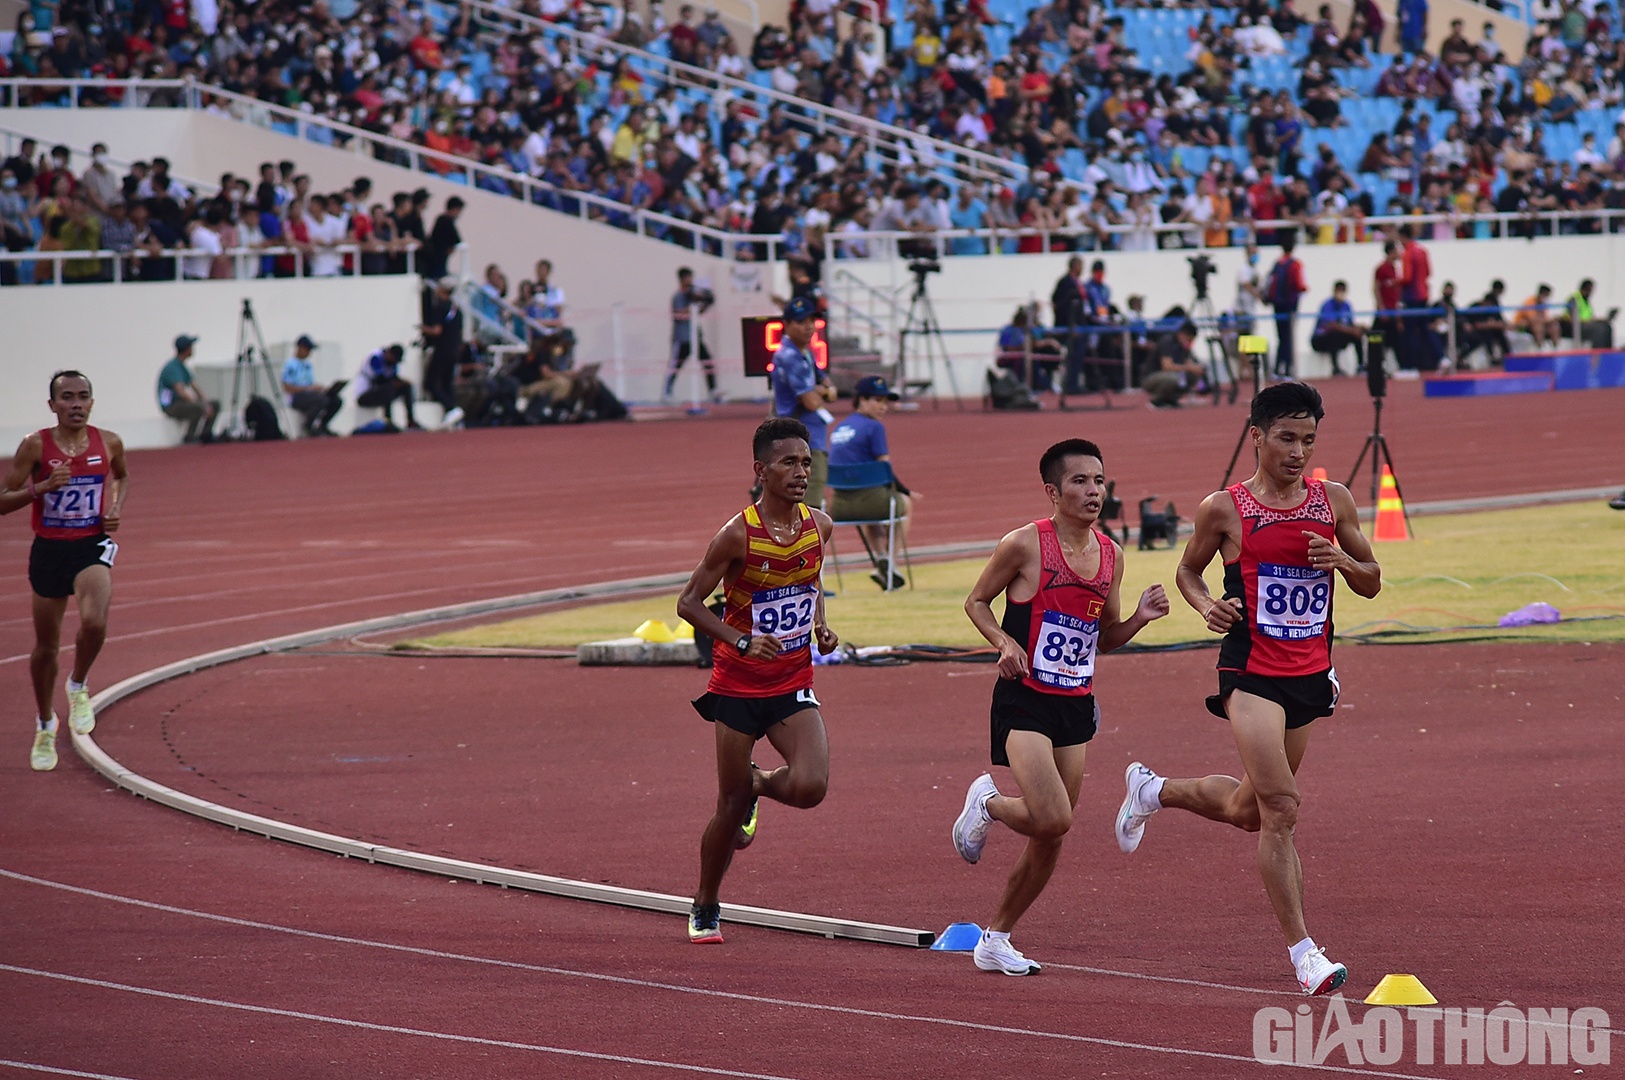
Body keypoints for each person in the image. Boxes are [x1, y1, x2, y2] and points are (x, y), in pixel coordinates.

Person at [1114, 382, 1381, 996]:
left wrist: (1341, 562)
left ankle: (1153, 791)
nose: (1297, 451)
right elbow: (1188, 569)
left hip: (1310, 674)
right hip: (1251, 671)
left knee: (1248, 810)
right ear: (1256, 436)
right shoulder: (1224, 509)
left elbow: (1371, 582)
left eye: (1308, 440)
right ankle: (1305, 954)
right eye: (1286, 438)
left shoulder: (1333, 501)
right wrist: (1208, 603)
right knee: (1282, 809)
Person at [953, 439, 1169, 974]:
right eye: (1080, 481)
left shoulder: (1111, 555)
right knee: (1052, 816)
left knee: (1052, 833)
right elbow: (976, 601)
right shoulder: (1025, 545)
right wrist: (1004, 642)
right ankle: (988, 805)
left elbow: (1103, 636)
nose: (1094, 491)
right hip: (1024, 697)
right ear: (1053, 491)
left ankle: (996, 937)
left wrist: (1139, 618)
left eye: (1099, 481)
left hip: (1075, 703)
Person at [674, 417, 839, 944]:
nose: (800, 472)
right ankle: (705, 902)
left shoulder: (821, 526)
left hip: (793, 679)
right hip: (739, 687)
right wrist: (740, 640)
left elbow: (808, 580)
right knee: (727, 806)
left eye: (806, 463)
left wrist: (819, 624)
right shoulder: (736, 534)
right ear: (760, 470)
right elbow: (687, 603)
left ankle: (760, 785)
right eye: (788, 462)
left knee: (811, 786)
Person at [0, 371, 129, 771]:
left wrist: (115, 507)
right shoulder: (35, 445)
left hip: (89, 545)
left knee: (94, 622)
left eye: (83, 397)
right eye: (67, 397)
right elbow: (3, 500)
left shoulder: (108, 442)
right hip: (50, 550)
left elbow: (121, 476)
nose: (76, 404)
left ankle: (78, 685)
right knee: (45, 648)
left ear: (92, 402)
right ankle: (44, 722)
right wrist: (41, 488)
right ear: (52, 405)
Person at [827, 376, 917, 589]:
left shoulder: (840, 428)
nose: (883, 407)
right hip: (872, 502)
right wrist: (905, 491)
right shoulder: (874, 427)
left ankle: (881, 557)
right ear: (862, 400)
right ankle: (891, 562)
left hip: (838, 507)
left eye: (885, 402)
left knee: (870, 515)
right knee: (903, 504)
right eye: (878, 401)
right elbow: (885, 468)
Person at [769, 296, 836, 511]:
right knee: (809, 505)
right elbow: (810, 401)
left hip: (809, 436)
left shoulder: (805, 353)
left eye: (811, 321)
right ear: (787, 325)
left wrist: (822, 391)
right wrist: (823, 393)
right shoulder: (789, 356)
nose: (808, 327)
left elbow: (826, 386)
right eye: (801, 322)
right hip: (802, 439)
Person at [664, 267, 720, 404]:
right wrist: (693, 307)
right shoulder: (678, 296)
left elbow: (698, 312)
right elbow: (680, 315)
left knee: (707, 361)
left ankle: (713, 390)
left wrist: (705, 303)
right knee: (676, 366)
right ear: (682, 279)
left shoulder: (692, 295)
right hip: (682, 338)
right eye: (688, 278)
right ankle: (667, 393)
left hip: (695, 337)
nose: (690, 281)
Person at [280, 335, 346, 437]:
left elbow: (309, 384)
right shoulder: (290, 365)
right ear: (300, 348)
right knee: (320, 400)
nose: (309, 353)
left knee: (336, 400)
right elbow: (287, 388)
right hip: (296, 397)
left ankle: (323, 425)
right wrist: (309, 388)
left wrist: (319, 389)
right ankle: (308, 426)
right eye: (308, 349)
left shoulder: (307, 365)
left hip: (308, 394)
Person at [156, 335, 218, 444]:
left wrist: (206, 402)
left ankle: (206, 433)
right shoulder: (172, 367)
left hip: (181, 402)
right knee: (197, 407)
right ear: (186, 349)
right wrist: (202, 405)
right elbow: (181, 391)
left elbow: (194, 386)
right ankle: (190, 436)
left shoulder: (182, 366)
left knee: (214, 404)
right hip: (171, 405)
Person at [421, 276, 465, 418]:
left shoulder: (441, 307)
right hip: (454, 350)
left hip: (443, 350)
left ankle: (451, 408)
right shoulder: (456, 309)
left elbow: (436, 330)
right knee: (447, 382)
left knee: (431, 383)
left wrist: (422, 329)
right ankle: (452, 412)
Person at [1265, 233, 1307, 379]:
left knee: (1281, 337)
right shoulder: (1295, 265)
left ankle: (1277, 368)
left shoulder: (1278, 264)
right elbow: (1299, 285)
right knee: (1288, 337)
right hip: (1289, 304)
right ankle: (1288, 369)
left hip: (1277, 304)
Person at [354, 345, 423, 431]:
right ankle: (388, 420)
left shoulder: (392, 363)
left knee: (406, 387)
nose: (395, 363)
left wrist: (402, 382)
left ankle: (411, 421)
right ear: (389, 354)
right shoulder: (376, 357)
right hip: (365, 394)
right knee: (389, 387)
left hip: (381, 392)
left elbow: (393, 377)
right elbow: (379, 380)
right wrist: (395, 383)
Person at [1140, 321, 1206, 408]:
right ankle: (1157, 400)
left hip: (1168, 375)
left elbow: (1186, 362)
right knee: (1175, 378)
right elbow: (1167, 366)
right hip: (1151, 377)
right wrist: (1189, 368)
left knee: (1190, 376)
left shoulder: (1182, 346)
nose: (1189, 342)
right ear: (1183, 334)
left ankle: (1171, 399)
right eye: (1189, 339)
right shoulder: (1168, 342)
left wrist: (1195, 368)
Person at [1309, 281, 1365, 377]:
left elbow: (1350, 323)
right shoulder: (1327, 305)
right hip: (1321, 340)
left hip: (1339, 338)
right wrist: (1351, 331)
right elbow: (1331, 325)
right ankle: (1336, 368)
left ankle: (1361, 366)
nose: (1340, 293)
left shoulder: (1346, 305)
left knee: (1358, 336)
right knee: (1334, 335)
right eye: (1339, 290)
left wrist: (1360, 328)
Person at [1566, 278, 1617, 349]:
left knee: (1606, 326)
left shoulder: (1586, 300)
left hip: (1587, 324)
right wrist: (1590, 321)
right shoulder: (1575, 299)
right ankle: (1598, 352)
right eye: (1589, 290)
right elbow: (1572, 318)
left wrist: (1598, 319)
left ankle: (1608, 350)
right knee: (1599, 329)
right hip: (1577, 326)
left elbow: (1589, 316)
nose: (1590, 293)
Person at [1514, 284, 1562, 350]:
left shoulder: (1543, 304)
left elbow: (1545, 318)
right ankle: (1539, 348)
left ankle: (1556, 347)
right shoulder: (1530, 302)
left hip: (1538, 324)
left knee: (1554, 325)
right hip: (1523, 326)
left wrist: (1551, 320)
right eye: (1546, 295)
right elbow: (1532, 319)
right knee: (1538, 326)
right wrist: (1546, 320)